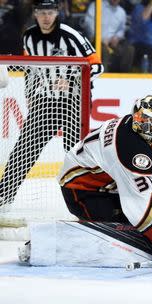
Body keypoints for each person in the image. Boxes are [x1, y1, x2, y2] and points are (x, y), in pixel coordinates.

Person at [0, 0, 104, 206]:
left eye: (50, 12)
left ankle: (85, 201)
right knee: (25, 148)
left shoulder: (70, 35)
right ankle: (4, 195)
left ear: (57, 13)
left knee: (75, 153)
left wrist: (72, 80)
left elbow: (97, 66)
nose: (46, 17)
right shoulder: (29, 36)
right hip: (45, 101)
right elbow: (30, 68)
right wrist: (29, 93)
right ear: (35, 14)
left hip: (75, 102)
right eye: (41, 12)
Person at [58, 95, 152, 253]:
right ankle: (62, 244)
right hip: (81, 189)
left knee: (138, 229)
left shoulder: (146, 133)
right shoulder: (130, 150)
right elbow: (143, 200)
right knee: (123, 233)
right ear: (144, 126)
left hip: (108, 185)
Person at [83, 0, 135, 72]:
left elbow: (121, 30)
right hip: (96, 41)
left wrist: (117, 37)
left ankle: (123, 76)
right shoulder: (96, 6)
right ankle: (103, 76)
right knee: (103, 50)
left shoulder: (121, 12)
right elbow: (88, 24)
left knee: (129, 49)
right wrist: (100, 39)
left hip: (112, 43)